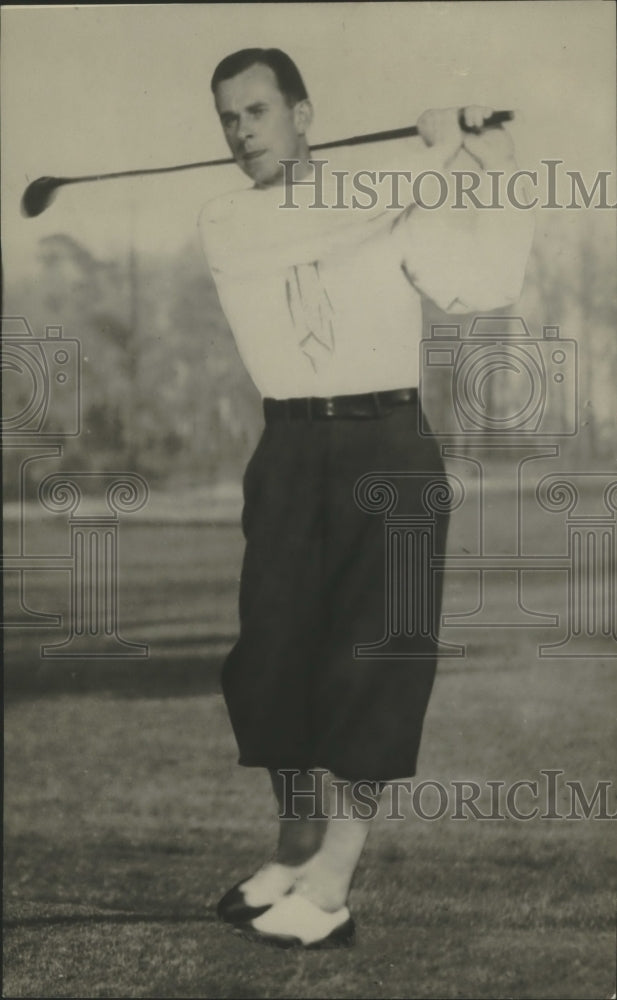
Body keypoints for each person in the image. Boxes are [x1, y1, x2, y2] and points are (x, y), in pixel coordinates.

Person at [198, 47, 533, 948]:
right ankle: (293, 850)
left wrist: (496, 174)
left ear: (302, 114)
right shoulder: (232, 220)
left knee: (372, 663)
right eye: (228, 118)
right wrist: (434, 155)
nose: (238, 133)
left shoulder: (381, 207)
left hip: (387, 443)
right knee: (273, 662)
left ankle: (332, 880)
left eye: (256, 113)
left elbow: (486, 283)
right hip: (290, 447)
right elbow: (325, 223)